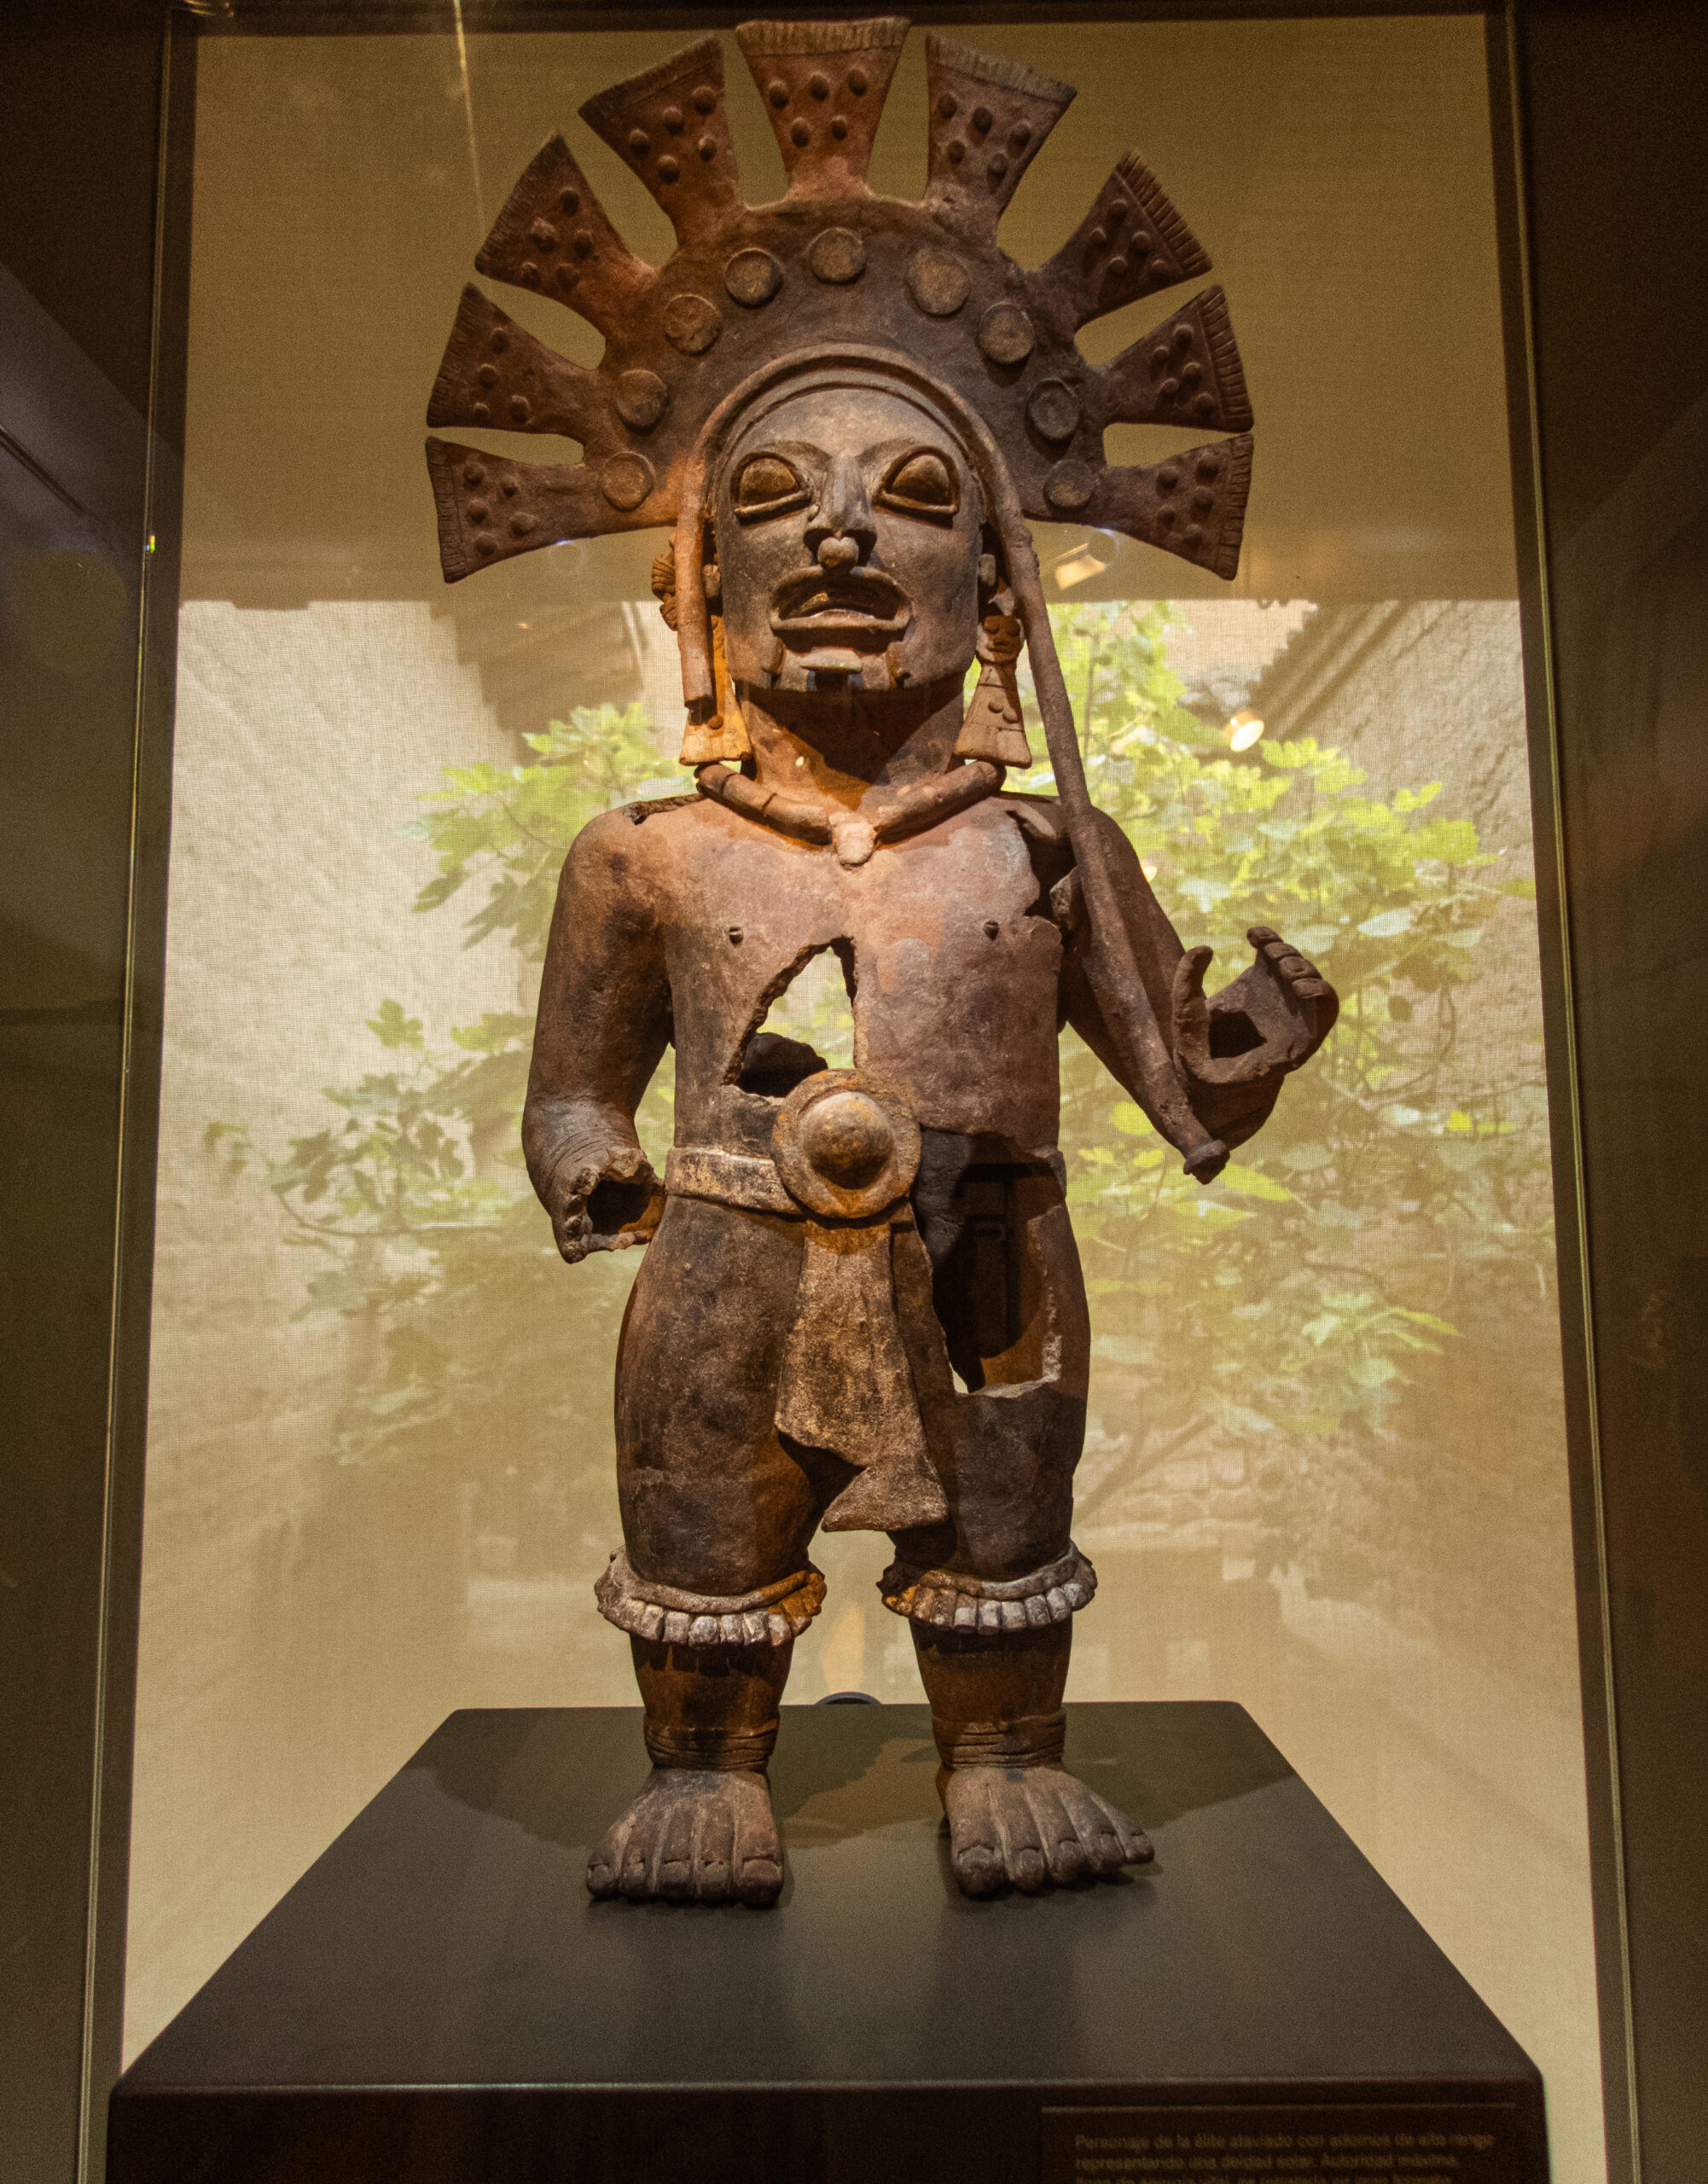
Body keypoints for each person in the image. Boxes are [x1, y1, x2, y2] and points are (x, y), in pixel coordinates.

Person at [426, 20, 1335, 1902]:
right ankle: (703, 1763)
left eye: (916, 497)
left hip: (988, 1257)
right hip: (722, 1254)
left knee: (1003, 1511)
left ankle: (999, 1749)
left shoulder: (1043, 849)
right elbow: (577, 1083)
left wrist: (1245, 1038)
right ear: (700, 592)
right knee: (699, 1510)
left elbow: (1178, 1085)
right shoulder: (645, 854)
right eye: (771, 501)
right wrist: (588, 1156)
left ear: (994, 588)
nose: (840, 531)